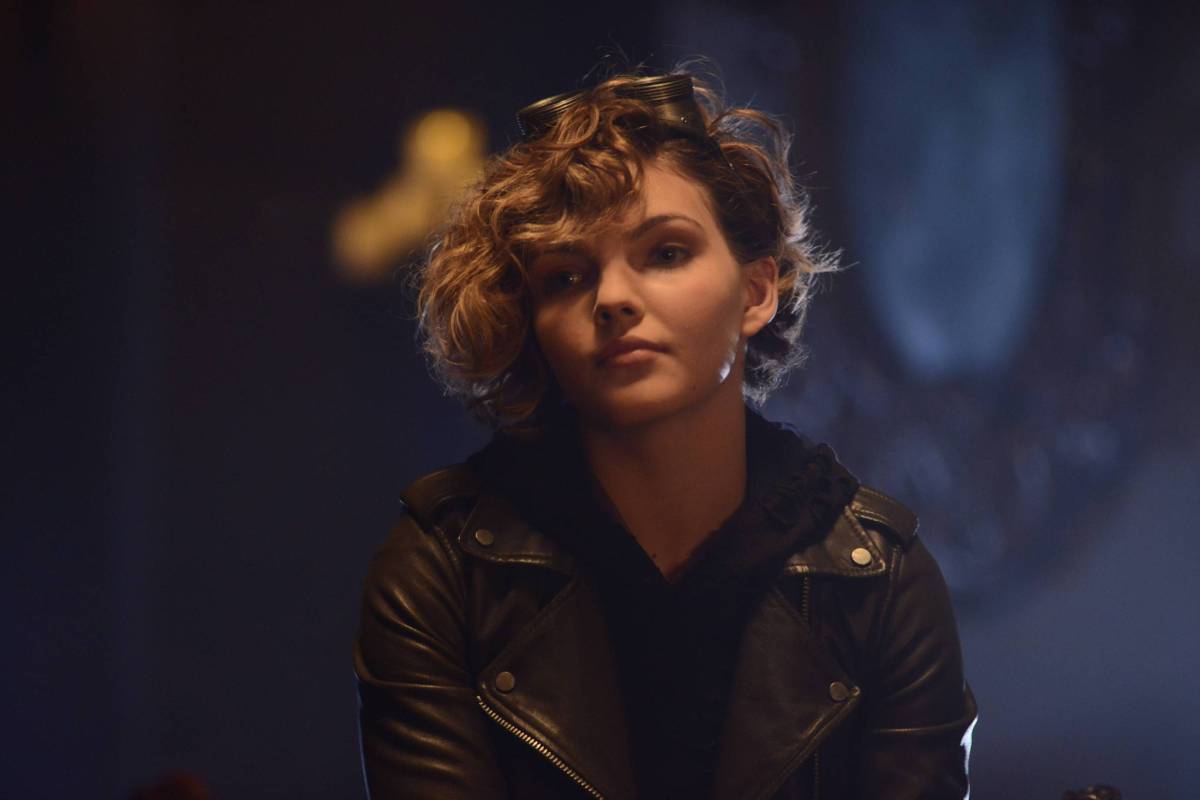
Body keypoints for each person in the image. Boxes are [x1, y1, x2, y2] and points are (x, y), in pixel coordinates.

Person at [353, 68, 977, 799]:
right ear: (532, 324)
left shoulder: (878, 577)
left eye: (667, 253)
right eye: (565, 277)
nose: (613, 298)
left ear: (756, 292)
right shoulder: (445, 567)